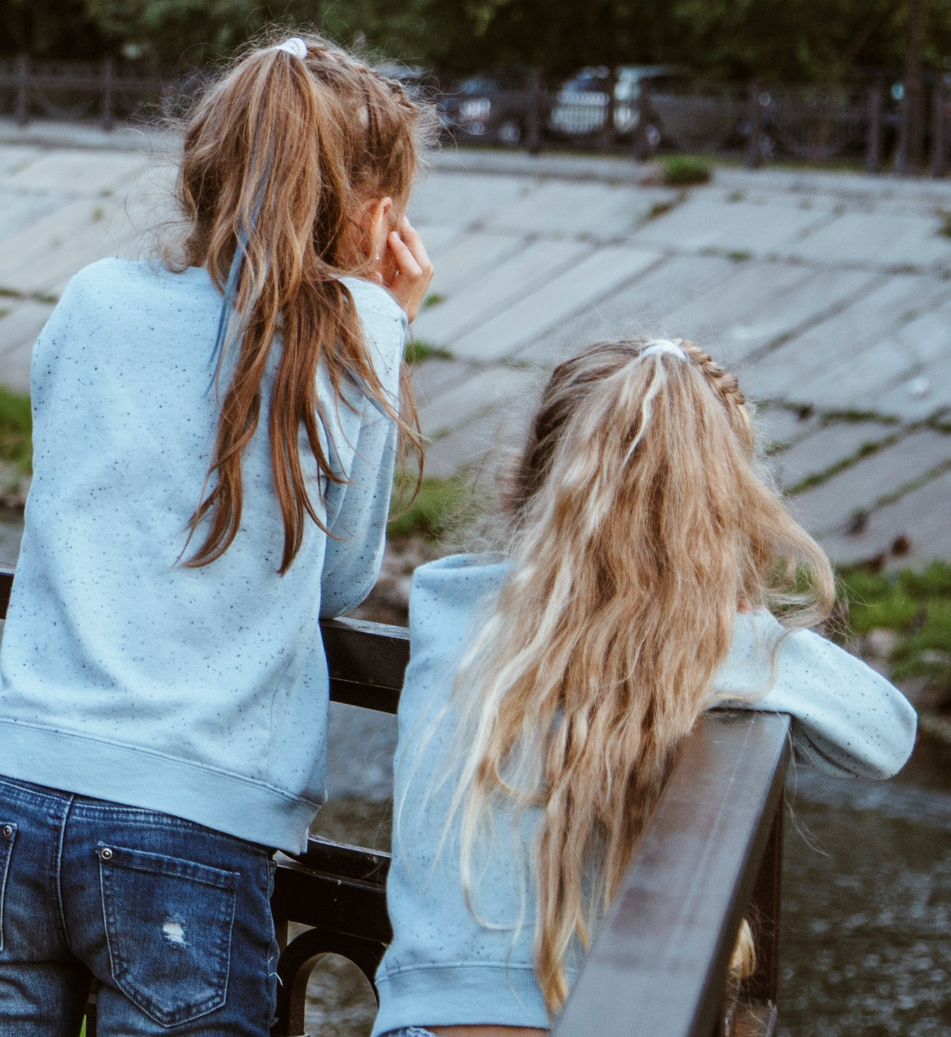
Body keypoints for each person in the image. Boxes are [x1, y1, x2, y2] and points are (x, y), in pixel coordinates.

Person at [0, 36, 436, 1036]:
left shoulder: (92, 298)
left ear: (200, 170)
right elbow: (337, 579)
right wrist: (387, 317)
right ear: (375, 215)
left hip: (11, 791)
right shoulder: (356, 330)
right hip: (193, 824)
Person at [371, 337, 915, 1036]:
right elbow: (886, 733)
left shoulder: (450, 604)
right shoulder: (698, 647)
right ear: (721, 517)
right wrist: (727, 611)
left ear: (519, 484)